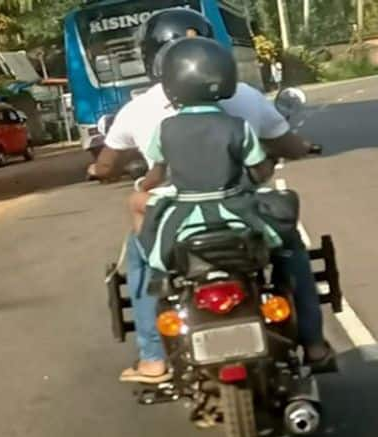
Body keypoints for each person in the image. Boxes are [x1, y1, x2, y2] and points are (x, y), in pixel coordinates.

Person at [90, 8, 334, 384]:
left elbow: (138, 171)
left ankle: (153, 358)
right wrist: (284, 154)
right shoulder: (243, 105)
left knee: (141, 257)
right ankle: (315, 344)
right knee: (291, 248)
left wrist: (134, 182)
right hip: (240, 213)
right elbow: (265, 164)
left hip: (180, 221)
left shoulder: (144, 114)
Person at [135, 37, 282, 271]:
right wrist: (270, 163)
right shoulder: (237, 126)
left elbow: (156, 175)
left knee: (148, 253)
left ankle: (151, 293)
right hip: (236, 210)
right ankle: (304, 302)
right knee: (284, 243)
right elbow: (261, 170)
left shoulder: (165, 129)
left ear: (171, 83)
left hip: (182, 215)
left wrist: (142, 184)